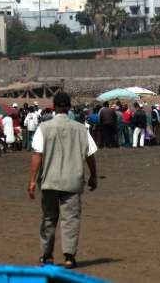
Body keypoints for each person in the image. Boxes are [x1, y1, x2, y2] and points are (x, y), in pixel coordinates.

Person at [30, 91, 98, 269]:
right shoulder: (81, 129)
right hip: (73, 180)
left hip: (50, 180)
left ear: (54, 107)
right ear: (69, 108)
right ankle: (69, 256)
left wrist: (31, 180)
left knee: (49, 217)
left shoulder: (44, 128)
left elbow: (38, 154)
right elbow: (89, 154)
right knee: (71, 218)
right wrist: (93, 175)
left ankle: (48, 255)